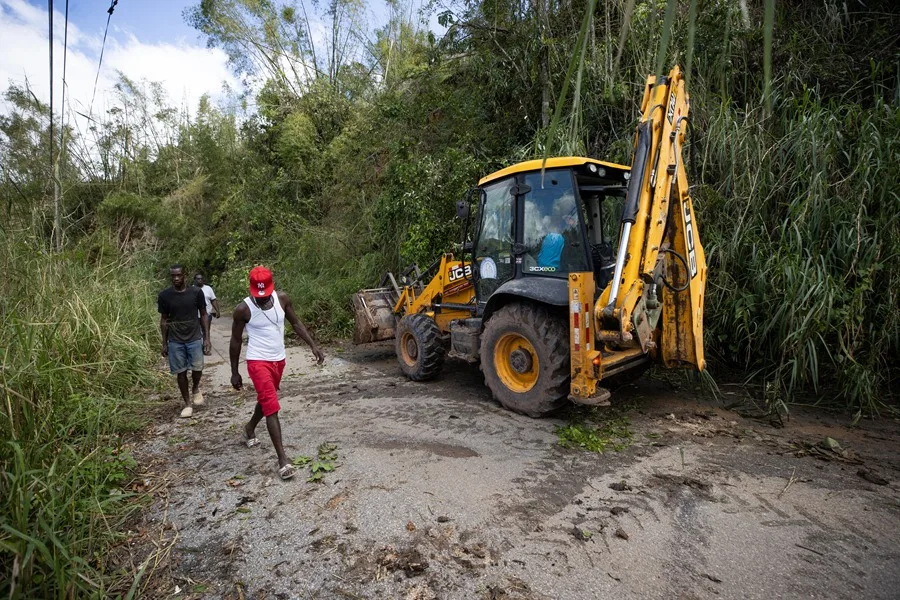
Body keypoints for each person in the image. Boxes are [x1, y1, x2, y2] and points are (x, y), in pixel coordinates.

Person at [229, 266, 325, 480]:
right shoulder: (242, 310)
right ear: (251, 289)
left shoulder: (282, 299)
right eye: (258, 296)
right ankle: (283, 459)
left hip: (278, 361)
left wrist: (313, 345)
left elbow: (296, 323)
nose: (262, 300)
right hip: (257, 361)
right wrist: (234, 372)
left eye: (265, 295)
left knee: (266, 400)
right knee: (271, 405)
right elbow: (235, 341)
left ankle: (249, 428)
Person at [159, 265, 211, 418]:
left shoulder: (196, 293)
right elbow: (164, 320)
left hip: (194, 337)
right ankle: (187, 403)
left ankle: (195, 387)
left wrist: (206, 338)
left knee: (197, 368)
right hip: (175, 339)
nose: (176, 278)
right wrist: (164, 342)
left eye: (179, 275)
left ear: (184, 276)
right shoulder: (165, 296)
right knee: (180, 372)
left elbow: (203, 315)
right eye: (173, 276)